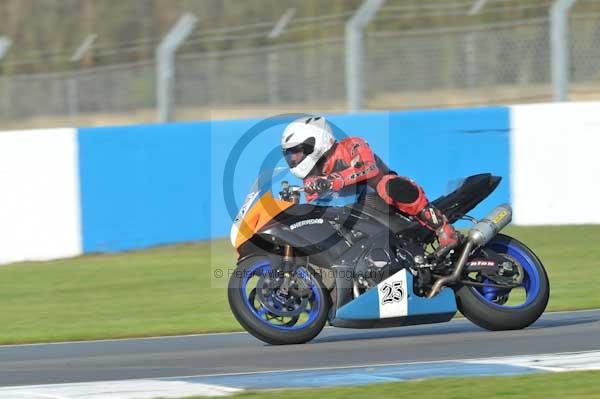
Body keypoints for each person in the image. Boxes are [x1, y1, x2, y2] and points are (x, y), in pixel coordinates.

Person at [281, 116, 460, 257]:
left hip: (387, 204)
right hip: (356, 220)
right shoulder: (311, 179)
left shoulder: (351, 144)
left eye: (296, 152)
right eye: (289, 154)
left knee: (387, 186)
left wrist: (333, 181)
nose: (293, 159)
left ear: (316, 142)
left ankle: (443, 229)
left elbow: (369, 168)